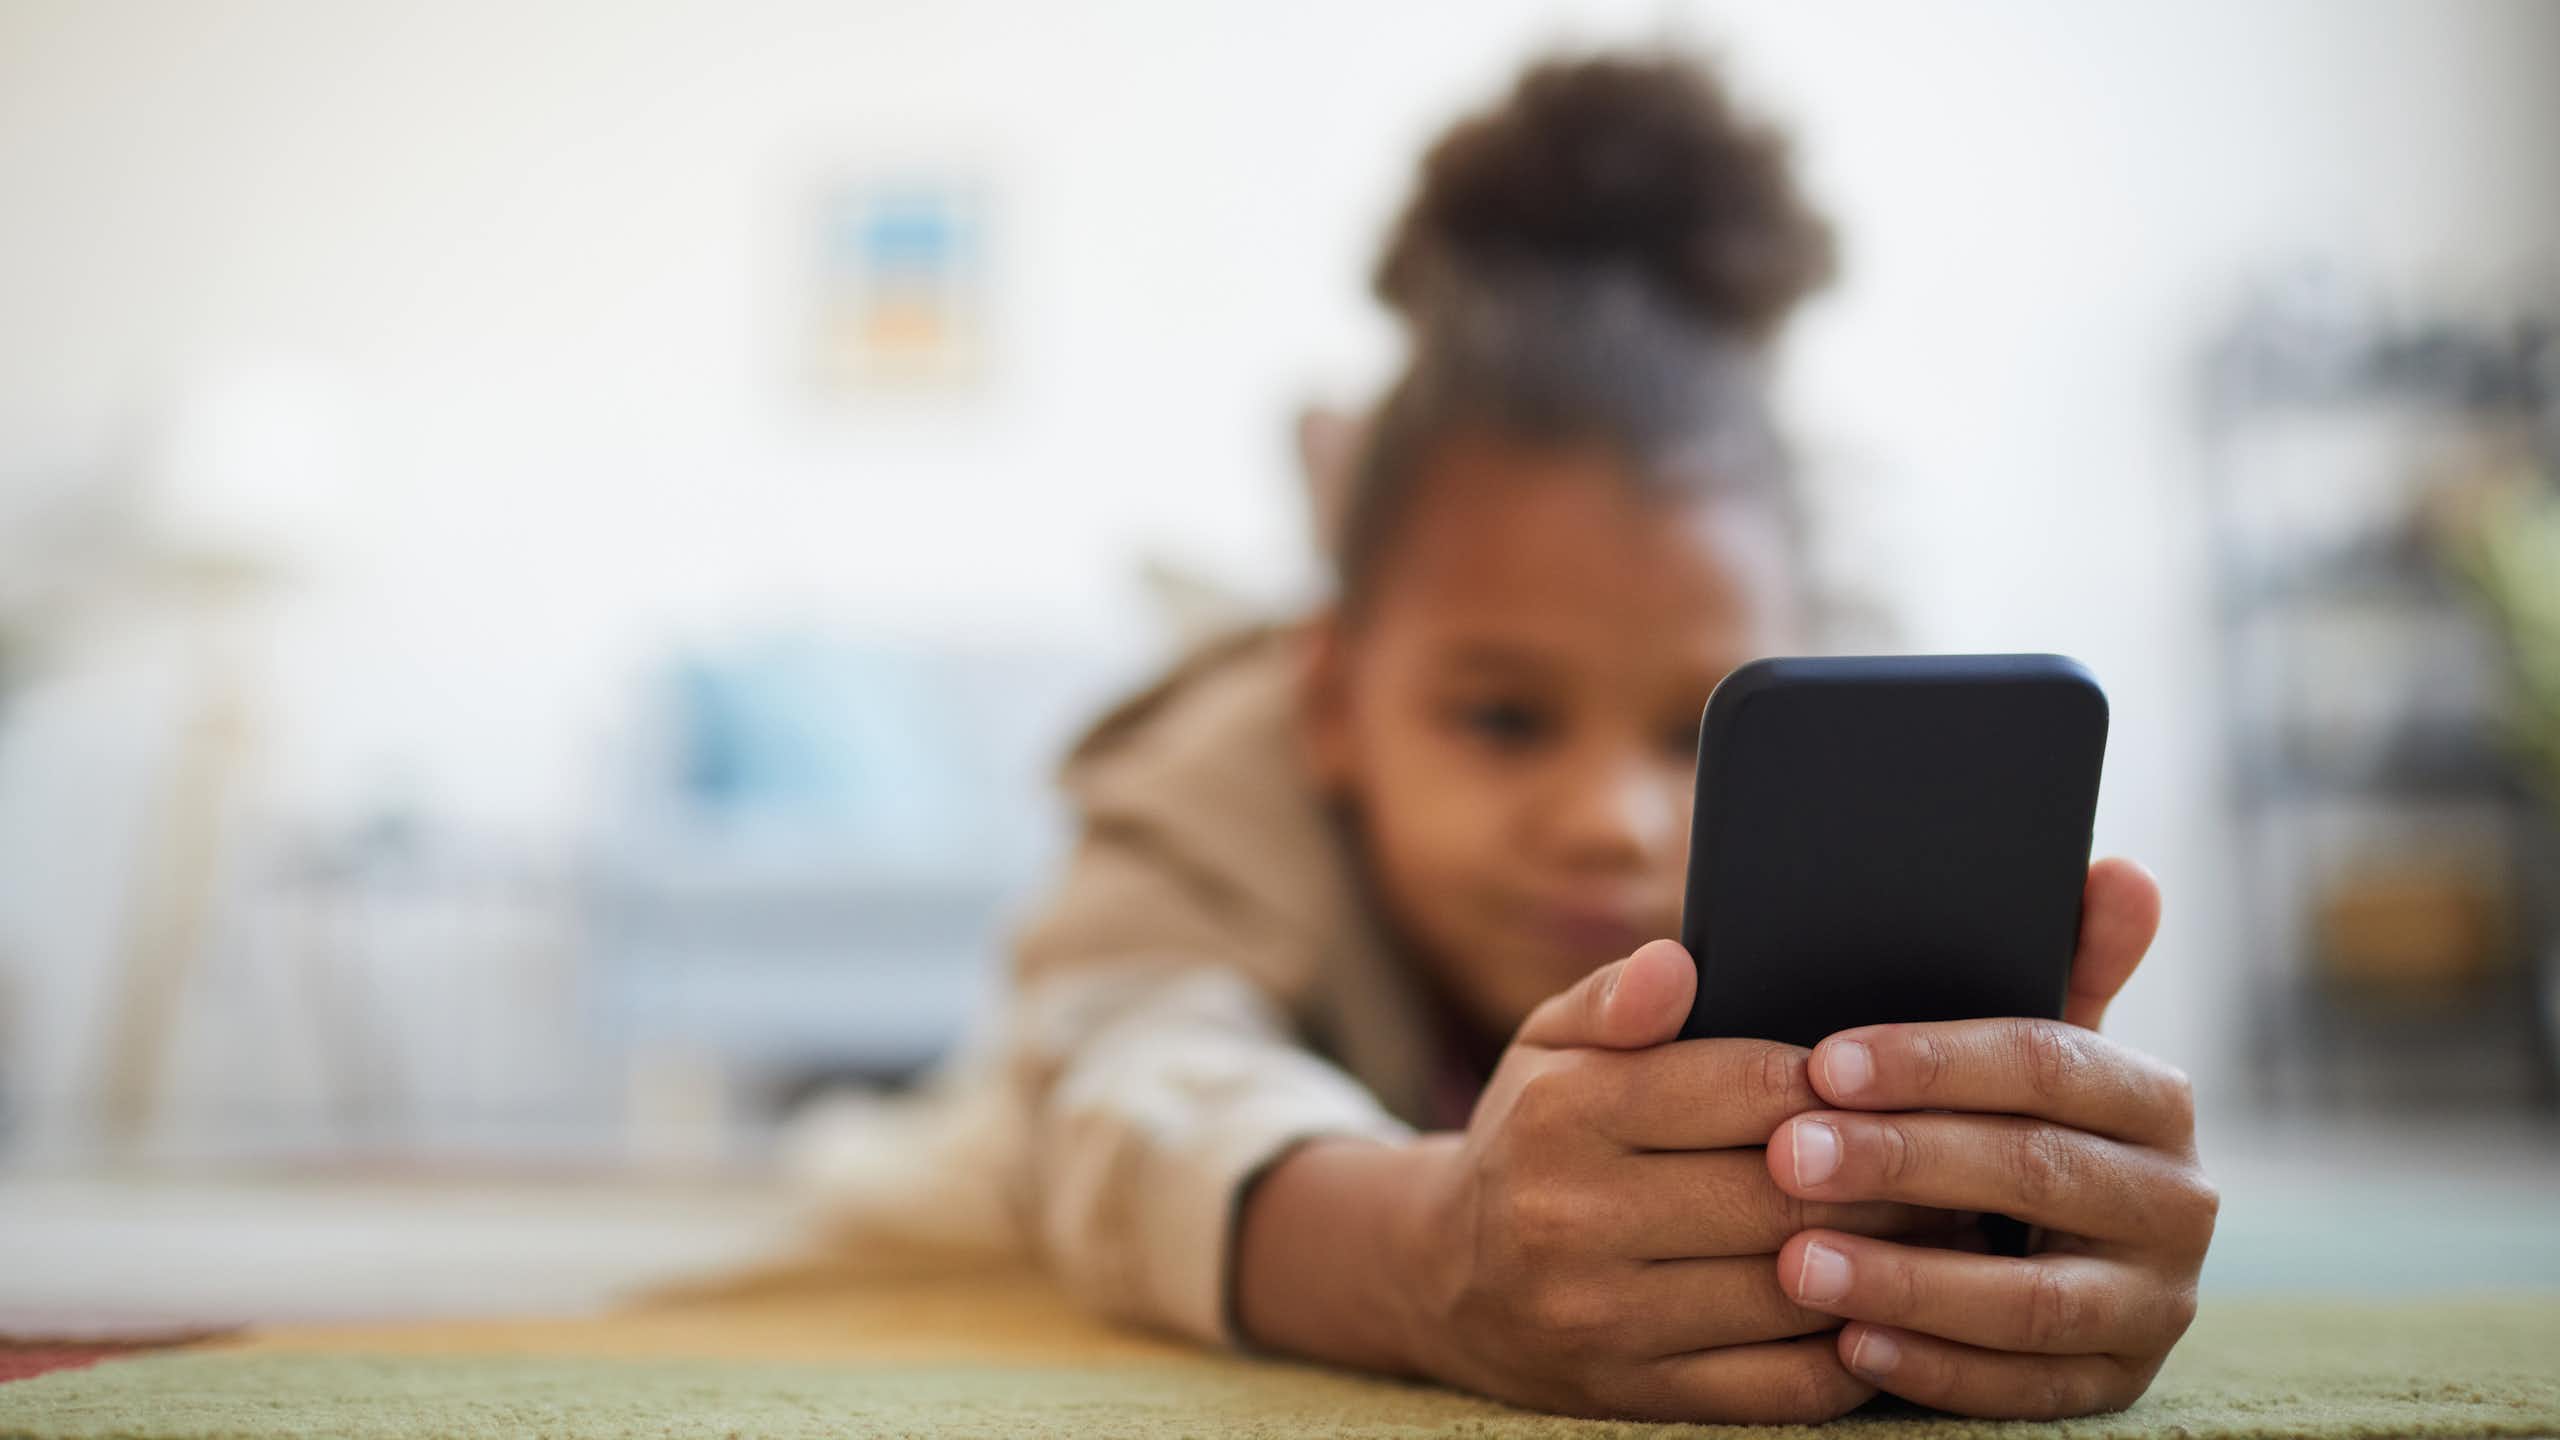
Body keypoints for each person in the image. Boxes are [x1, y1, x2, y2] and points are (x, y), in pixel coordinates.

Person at [999, 51, 2214, 1423]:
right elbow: (1115, 1106)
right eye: (1505, 716)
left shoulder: (1854, 822)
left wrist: (2019, 1199)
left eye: (1708, 730)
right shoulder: (1221, 773)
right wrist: (1422, 1248)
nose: (1610, 821)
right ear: (1334, 701)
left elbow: (2009, 1158)